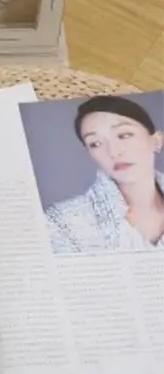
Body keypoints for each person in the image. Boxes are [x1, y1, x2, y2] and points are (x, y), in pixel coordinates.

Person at [45, 95, 164, 254]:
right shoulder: (63, 222)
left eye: (123, 135)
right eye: (95, 143)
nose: (113, 152)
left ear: (156, 141)